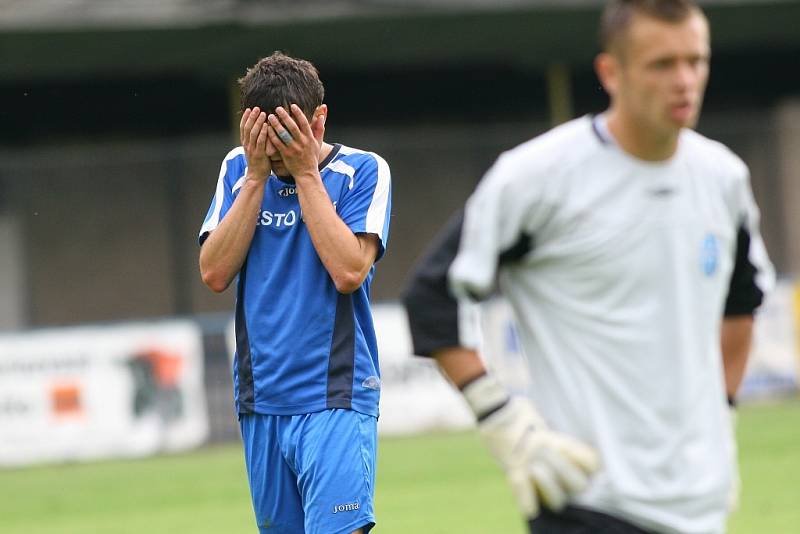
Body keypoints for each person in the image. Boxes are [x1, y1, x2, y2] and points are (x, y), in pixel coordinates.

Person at [402, 1, 774, 533]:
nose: (685, 81)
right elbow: (434, 296)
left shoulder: (724, 179)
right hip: (588, 501)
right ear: (610, 72)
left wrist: (720, 418)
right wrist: (504, 424)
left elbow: (742, 306)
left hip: (701, 508)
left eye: (697, 61)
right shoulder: (537, 178)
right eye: (662, 64)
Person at [198, 52, 391, 534]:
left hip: (334, 398)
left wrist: (306, 174)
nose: (280, 158)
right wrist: (257, 177)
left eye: (290, 143)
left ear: (319, 120)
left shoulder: (363, 171)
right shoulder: (238, 171)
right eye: (270, 147)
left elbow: (349, 271)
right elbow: (215, 272)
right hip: (260, 400)